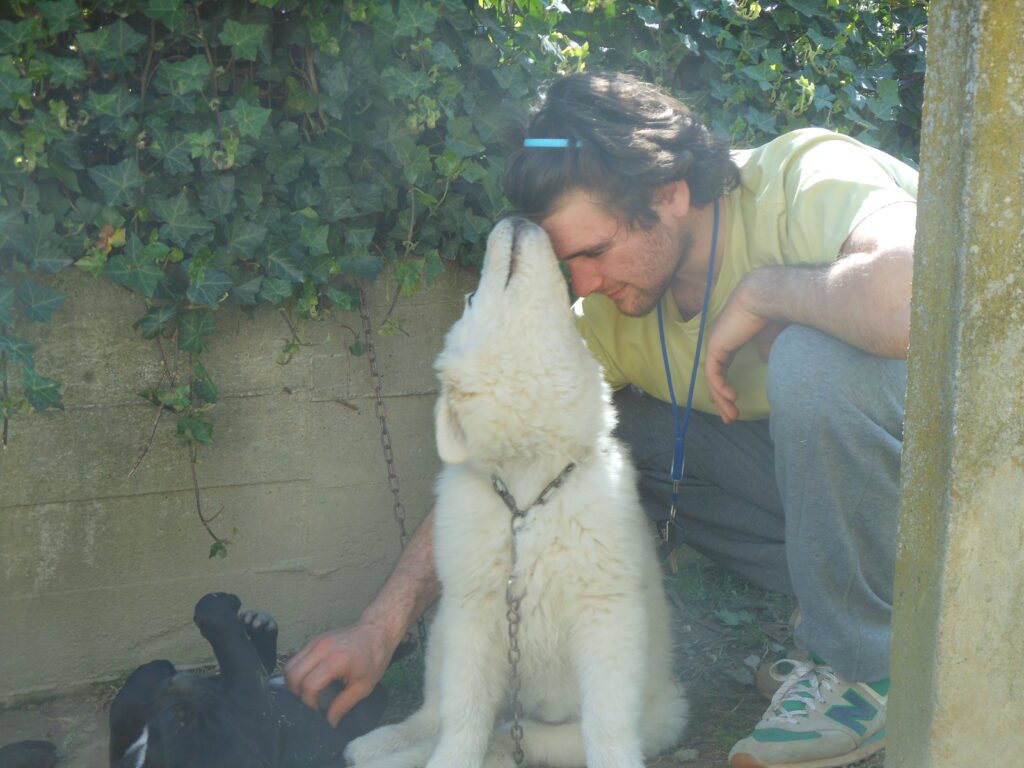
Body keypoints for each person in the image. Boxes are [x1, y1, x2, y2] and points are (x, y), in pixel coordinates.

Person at [286, 72, 916, 768]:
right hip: (860, 512)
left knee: (811, 362)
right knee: (607, 441)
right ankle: (845, 621)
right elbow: (510, 464)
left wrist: (771, 292)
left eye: (594, 251)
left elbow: (919, 299)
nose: (582, 285)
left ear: (668, 193)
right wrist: (381, 626)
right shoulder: (614, 313)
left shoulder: (805, 175)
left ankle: (869, 669)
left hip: (964, 491)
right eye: (567, 264)